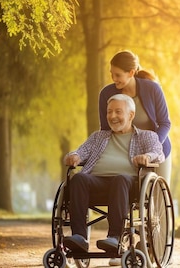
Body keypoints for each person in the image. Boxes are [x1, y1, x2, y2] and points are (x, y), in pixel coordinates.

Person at [63, 94, 165, 254]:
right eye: (109, 112)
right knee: (79, 178)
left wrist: (147, 157)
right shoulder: (98, 137)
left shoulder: (146, 136)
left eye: (118, 112)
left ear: (131, 115)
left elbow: (158, 153)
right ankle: (79, 237)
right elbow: (80, 151)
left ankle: (114, 237)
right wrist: (74, 156)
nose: (112, 116)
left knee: (120, 179)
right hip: (96, 183)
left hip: (128, 185)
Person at [98, 50, 172, 186]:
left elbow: (165, 123)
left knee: (160, 194)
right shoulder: (106, 94)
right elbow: (105, 129)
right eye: (112, 74)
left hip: (156, 147)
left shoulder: (153, 89)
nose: (114, 79)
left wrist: (153, 147)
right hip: (123, 151)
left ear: (131, 73)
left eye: (118, 75)